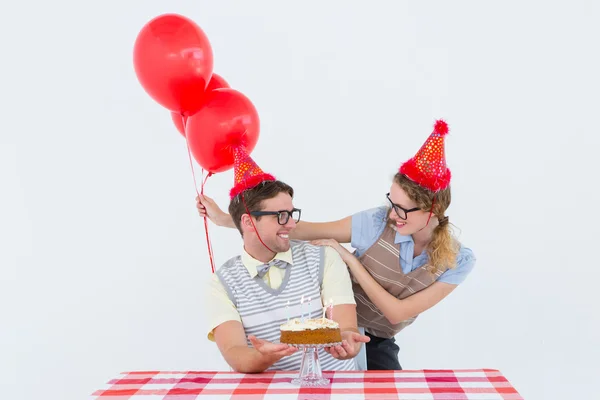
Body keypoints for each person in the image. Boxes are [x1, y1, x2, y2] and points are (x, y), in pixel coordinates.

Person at [198, 120, 476, 370]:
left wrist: (350, 260)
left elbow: (397, 313)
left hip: (376, 338)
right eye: (391, 203)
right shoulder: (377, 221)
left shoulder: (458, 260)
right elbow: (304, 230)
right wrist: (229, 220)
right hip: (339, 328)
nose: (392, 214)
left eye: (402, 209)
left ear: (433, 209)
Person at [205, 146, 369, 373]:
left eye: (292, 214)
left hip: (333, 387)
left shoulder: (323, 257)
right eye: (281, 216)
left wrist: (346, 341)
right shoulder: (222, 283)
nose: (292, 224)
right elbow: (235, 353)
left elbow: (345, 325)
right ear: (248, 222)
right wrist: (265, 356)